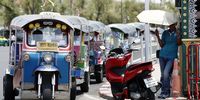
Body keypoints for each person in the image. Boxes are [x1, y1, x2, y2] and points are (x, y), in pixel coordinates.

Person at [155, 23, 182, 99]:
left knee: (166, 73)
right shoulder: (165, 32)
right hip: (162, 55)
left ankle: (166, 93)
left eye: (172, 24)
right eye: (170, 24)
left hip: (172, 57)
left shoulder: (178, 32)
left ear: (175, 24)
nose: (171, 26)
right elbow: (162, 45)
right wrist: (157, 36)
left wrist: (178, 35)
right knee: (163, 75)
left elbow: (179, 43)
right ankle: (163, 92)